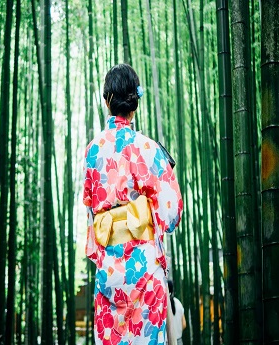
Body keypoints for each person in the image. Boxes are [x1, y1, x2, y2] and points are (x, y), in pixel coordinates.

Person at [83, 63, 183, 344]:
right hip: (145, 271)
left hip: (109, 273)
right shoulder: (149, 149)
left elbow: (91, 209)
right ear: (135, 104)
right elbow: (172, 212)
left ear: (106, 101)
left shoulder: (93, 151)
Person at [167, 280, 187, 345]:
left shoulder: (162, 305)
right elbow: (184, 324)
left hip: (167, 341)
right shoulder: (178, 303)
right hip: (179, 341)